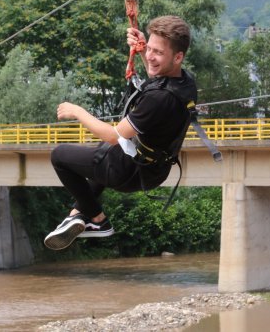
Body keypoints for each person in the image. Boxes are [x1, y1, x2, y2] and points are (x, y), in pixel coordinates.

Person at [44, 15, 198, 250]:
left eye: (158, 52)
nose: (149, 57)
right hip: (154, 171)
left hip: (126, 171)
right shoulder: (185, 83)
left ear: (178, 57)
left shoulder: (158, 100)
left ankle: (97, 219)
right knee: (97, 157)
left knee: (61, 156)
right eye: (150, 50)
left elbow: (112, 135)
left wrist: (77, 111)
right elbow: (157, 77)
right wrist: (144, 46)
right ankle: (77, 214)